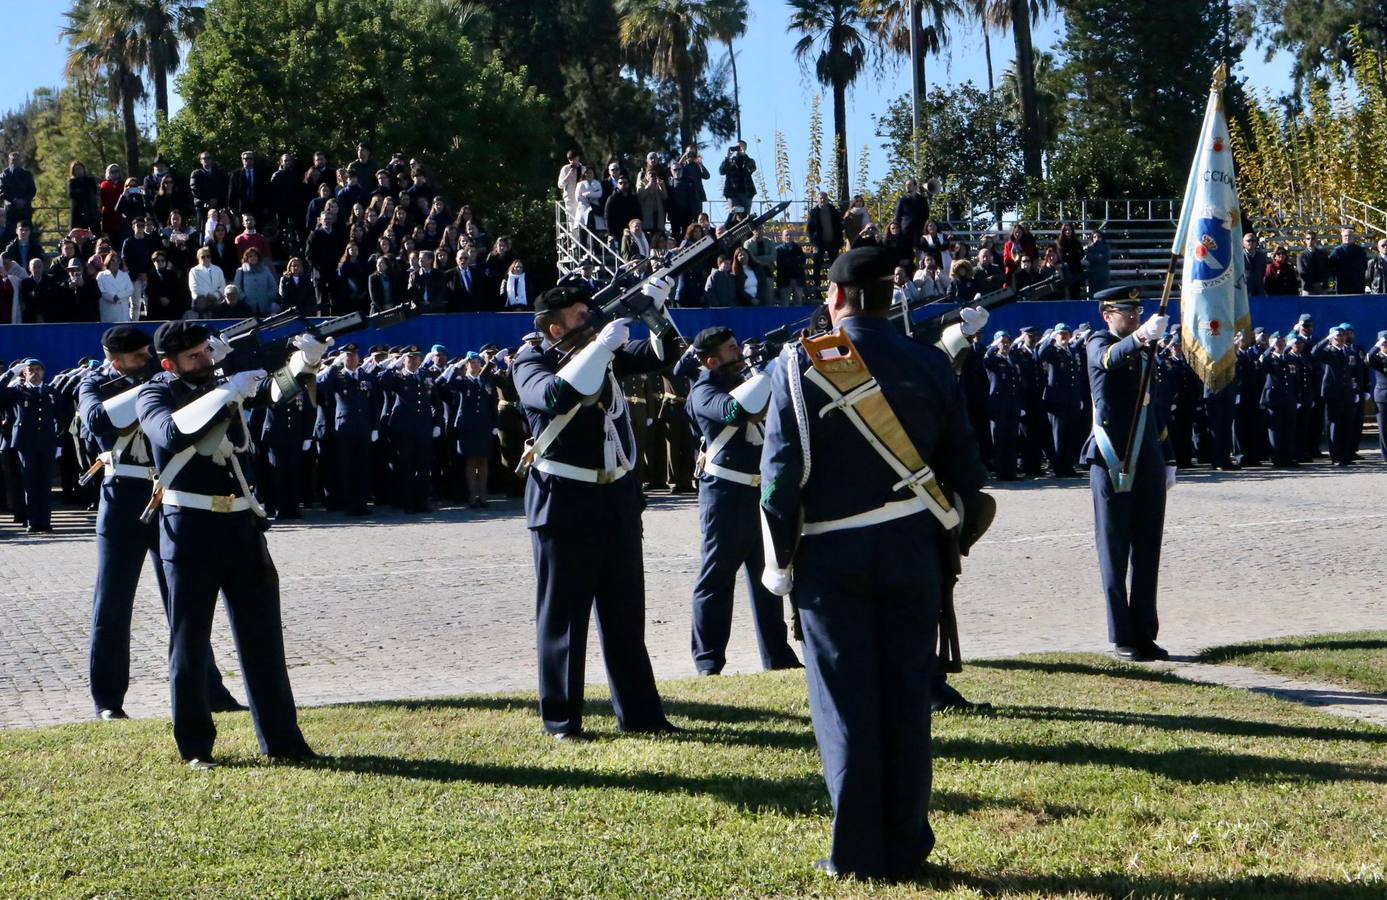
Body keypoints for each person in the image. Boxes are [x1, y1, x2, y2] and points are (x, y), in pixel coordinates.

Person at [759, 245, 988, 880]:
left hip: (832, 557)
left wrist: (779, 564)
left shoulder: (800, 365)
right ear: (892, 298)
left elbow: (779, 482)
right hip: (914, 554)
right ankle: (907, 845)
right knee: (907, 702)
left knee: (845, 705)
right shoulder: (930, 361)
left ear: (836, 298)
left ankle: (858, 853)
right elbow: (968, 473)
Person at [135, 320, 323, 768]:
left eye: (205, 350)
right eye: (193, 356)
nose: (204, 359)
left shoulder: (223, 383)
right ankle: (195, 747)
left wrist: (305, 362)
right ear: (169, 365)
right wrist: (228, 391)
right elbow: (171, 433)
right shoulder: (154, 393)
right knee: (190, 643)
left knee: (263, 639)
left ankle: (283, 740)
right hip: (190, 528)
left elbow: (274, 392)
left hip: (241, 523)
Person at [511, 281, 681, 740]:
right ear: (554, 327)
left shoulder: (603, 353)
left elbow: (664, 355)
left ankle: (642, 716)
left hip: (615, 500)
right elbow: (554, 397)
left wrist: (656, 313)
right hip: (564, 501)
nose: (590, 317)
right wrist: (602, 347)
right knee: (564, 620)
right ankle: (562, 721)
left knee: (625, 616)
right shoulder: (531, 361)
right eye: (579, 314)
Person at [80, 325, 246, 719]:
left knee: (186, 600)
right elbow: (97, 421)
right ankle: (108, 700)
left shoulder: (169, 381)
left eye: (149, 354)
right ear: (115, 362)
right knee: (113, 601)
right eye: (138, 357)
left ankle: (208, 689)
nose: (147, 361)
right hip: (122, 497)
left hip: (169, 494)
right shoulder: (94, 384)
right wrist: (155, 383)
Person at [684, 327, 801, 677]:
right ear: (711, 361)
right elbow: (735, 411)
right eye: (732, 349)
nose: (739, 353)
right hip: (725, 495)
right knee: (717, 579)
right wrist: (770, 371)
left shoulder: (744, 379)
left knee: (768, 579)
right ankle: (708, 662)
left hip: (758, 493)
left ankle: (778, 657)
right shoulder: (703, 390)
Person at [1083, 287, 1173, 662]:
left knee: (1148, 550)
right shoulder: (1098, 341)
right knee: (1115, 550)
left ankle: (1144, 632)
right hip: (1112, 458)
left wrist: (1168, 455)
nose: (1136, 317)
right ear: (1108, 314)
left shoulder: (1144, 351)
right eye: (1127, 312)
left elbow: (1154, 406)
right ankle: (1122, 635)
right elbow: (1108, 360)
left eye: (1138, 312)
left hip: (1147, 457)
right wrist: (1141, 338)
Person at [373, 346, 441, 513]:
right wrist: (393, 365)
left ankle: (422, 502)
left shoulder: (425, 376)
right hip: (404, 430)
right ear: (404, 360)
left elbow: (435, 401)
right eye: (410, 358)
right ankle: (408, 502)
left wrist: (437, 423)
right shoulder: (398, 376)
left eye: (416, 358)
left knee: (423, 466)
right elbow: (382, 382)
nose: (413, 361)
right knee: (406, 467)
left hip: (423, 428)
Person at [0, 358, 60, 532]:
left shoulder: (51, 392)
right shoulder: (17, 392)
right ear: (24, 373)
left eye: (38, 369)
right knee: (30, 482)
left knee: (45, 483)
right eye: (30, 370)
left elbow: (61, 418)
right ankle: (33, 521)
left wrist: (59, 443)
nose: (35, 373)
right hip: (26, 444)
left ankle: (45, 522)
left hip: (47, 443)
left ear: (44, 372)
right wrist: (11, 372)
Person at [437, 351, 498, 507]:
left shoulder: (486, 381)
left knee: (483, 460)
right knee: (470, 461)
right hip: (467, 427)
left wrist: (495, 424)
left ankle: (483, 496)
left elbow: (493, 404)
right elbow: (448, 383)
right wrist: (457, 366)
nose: (475, 365)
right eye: (472, 363)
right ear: (467, 366)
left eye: (477, 363)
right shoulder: (462, 381)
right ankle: (472, 496)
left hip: (484, 426)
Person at [1313, 323, 1369, 465]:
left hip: (1348, 393)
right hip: (1334, 394)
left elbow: (1355, 371)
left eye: (1343, 335)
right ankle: (1336, 456)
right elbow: (1314, 353)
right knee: (1335, 425)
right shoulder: (1328, 351)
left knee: (1347, 424)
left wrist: (1356, 390)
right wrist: (1327, 339)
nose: (1342, 338)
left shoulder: (1349, 351)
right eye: (1338, 335)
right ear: (1333, 338)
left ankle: (1346, 455)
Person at [1039, 324, 1084, 477]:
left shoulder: (1071, 350)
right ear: (1055, 336)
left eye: (1066, 334)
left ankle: (1068, 466)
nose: (1064, 336)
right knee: (1058, 434)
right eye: (1060, 334)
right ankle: (1058, 467)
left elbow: (1076, 376)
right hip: (1056, 400)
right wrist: (1049, 339)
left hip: (1072, 399)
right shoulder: (1052, 351)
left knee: (1071, 434)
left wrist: (1078, 397)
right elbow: (1041, 355)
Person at [806, 192, 844, 288]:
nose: (822, 200)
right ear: (817, 200)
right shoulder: (813, 212)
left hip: (833, 242)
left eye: (824, 198)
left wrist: (840, 241)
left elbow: (840, 227)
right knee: (817, 262)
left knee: (835, 264)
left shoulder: (833, 210)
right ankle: (817, 285)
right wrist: (812, 242)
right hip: (819, 242)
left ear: (827, 199)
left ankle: (836, 285)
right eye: (821, 198)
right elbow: (810, 229)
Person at [234, 247, 279, 316]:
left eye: (255, 255)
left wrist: (268, 297)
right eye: (250, 256)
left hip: (265, 306)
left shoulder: (265, 269)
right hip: (248, 308)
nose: (253, 258)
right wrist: (244, 298)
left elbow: (273, 286)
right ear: (246, 258)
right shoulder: (240, 271)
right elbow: (237, 289)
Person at [96, 251, 136, 323]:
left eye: (118, 261)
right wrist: (112, 297)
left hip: (122, 311)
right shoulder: (101, 275)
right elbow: (101, 291)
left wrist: (118, 296)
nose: (116, 263)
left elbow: (130, 290)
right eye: (113, 261)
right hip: (108, 310)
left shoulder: (125, 275)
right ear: (108, 261)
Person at [718, 140, 757, 212]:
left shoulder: (749, 160)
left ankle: (743, 218)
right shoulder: (730, 161)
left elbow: (752, 168)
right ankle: (731, 219)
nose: (738, 149)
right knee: (735, 212)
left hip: (747, 192)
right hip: (732, 192)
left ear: (745, 148)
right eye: (737, 147)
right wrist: (728, 157)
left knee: (745, 214)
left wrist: (744, 155)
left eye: (740, 147)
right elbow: (722, 171)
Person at [1, 152, 37, 224]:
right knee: (10, 229)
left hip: (25, 209)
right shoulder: (4, 175)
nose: (15, 162)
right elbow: (2, 192)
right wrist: (15, 200)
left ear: (20, 161)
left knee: (26, 228)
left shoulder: (27, 174)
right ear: (9, 161)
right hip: (10, 209)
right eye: (13, 160)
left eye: (17, 160)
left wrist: (24, 200)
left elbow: (32, 190)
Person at [774, 228, 807, 306]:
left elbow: (802, 260)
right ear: (782, 237)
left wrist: (790, 261)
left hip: (797, 278)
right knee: (784, 303)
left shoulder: (798, 248)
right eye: (786, 235)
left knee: (798, 302)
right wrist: (794, 261)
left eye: (790, 235)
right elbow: (781, 263)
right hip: (784, 279)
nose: (788, 237)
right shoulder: (779, 249)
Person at [1329, 228, 1367, 294]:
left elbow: (1364, 266)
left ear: (1353, 237)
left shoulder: (1360, 250)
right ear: (1342, 237)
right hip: (1342, 285)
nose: (1347, 237)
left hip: (1358, 284)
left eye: (1350, 235)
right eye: (1345, 236)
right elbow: (1331, 267)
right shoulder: (1337, 251)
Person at [1368, 331, 1387, 461]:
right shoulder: (1377, 358)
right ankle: (1386, 455)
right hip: (1382, 396)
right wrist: (1378, 345)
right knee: (1384, 427)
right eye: (1384, 343)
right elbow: (1368, 359)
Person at [68, 161, 101, 230]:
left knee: (94, 232)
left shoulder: (90, 180)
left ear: (83, 169)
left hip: (91, 211)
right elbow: (71, 194)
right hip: (78, 213)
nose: (79, 171)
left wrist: (80, 191)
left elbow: (93, 192)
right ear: (73, 172)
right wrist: (82, 191)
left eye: (80, 168)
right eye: (76, 169)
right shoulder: (72, 182)